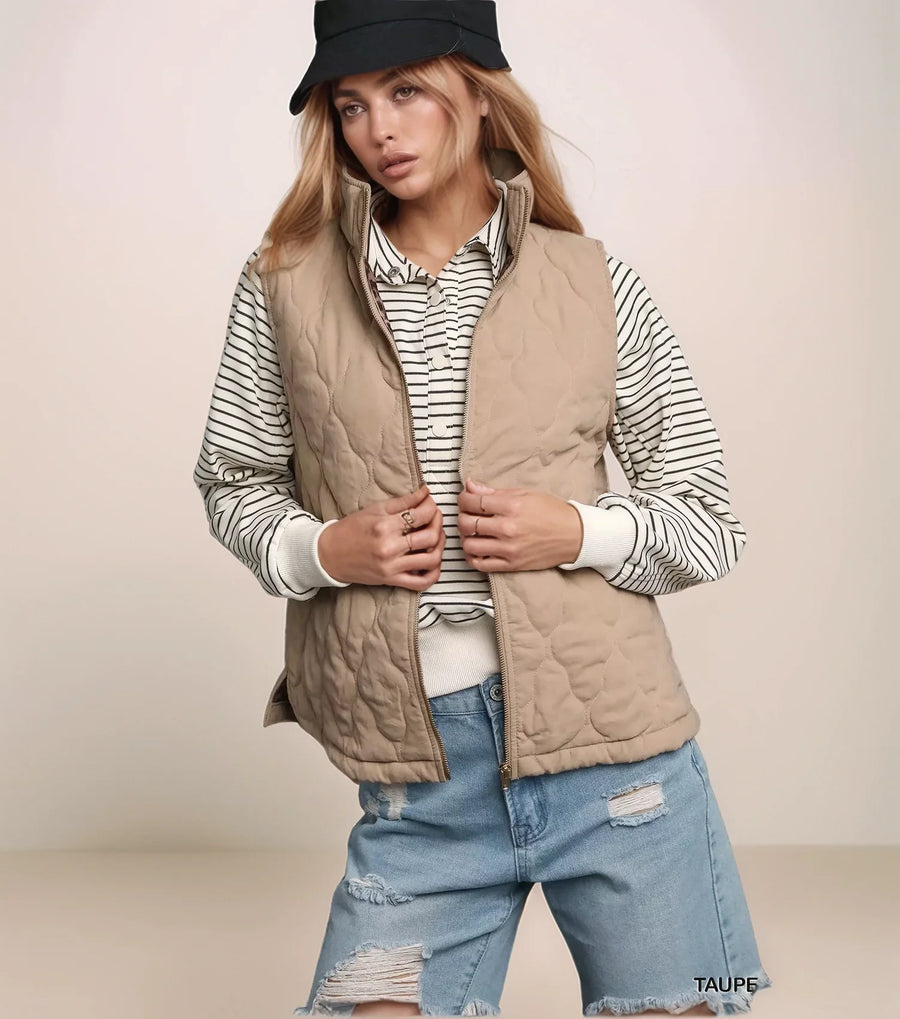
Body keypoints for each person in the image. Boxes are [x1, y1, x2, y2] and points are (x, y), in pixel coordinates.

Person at [192, 1, 774, 1015]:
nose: (379, 128)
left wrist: (579, 530)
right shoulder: (283, 285)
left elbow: (707, 516)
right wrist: (327, 547)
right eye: (352, 102)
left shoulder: (594, 283)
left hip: (621, 766)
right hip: (424, 785)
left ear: (478, 91)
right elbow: (233, 481)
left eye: (407, 89)